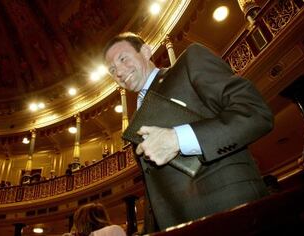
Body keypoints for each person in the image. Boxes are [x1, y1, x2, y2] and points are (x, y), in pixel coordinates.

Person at [103, 32, 274, 233]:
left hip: (232, 214)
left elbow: (254, 112)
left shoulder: (189, 63)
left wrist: (179, 138)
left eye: (123, 59)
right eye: (112, 70)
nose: (119, 73)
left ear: (146, 51)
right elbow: (154, 191)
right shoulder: (134, 124)